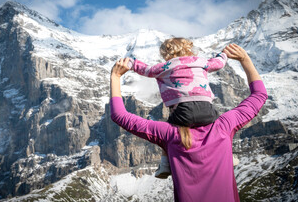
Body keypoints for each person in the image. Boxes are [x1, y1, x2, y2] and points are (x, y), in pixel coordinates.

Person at [110, 44, 267, 201]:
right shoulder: (224, 127)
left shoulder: (170, 134)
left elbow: (119, 115)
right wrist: (245, 59)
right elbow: (259, 95)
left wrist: (115, 77)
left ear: (173, 106)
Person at [127, 37, 228, 178]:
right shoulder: (200, 62)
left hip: (182, 110)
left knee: (168, 136)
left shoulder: (165, 66)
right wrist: (223, 55)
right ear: (188, 49)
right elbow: (218, 64)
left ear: (166, 54)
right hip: (207, 109)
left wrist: (131, 63)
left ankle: (165, 165)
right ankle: (228, 154)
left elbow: (146, 70)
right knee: (217, 130)